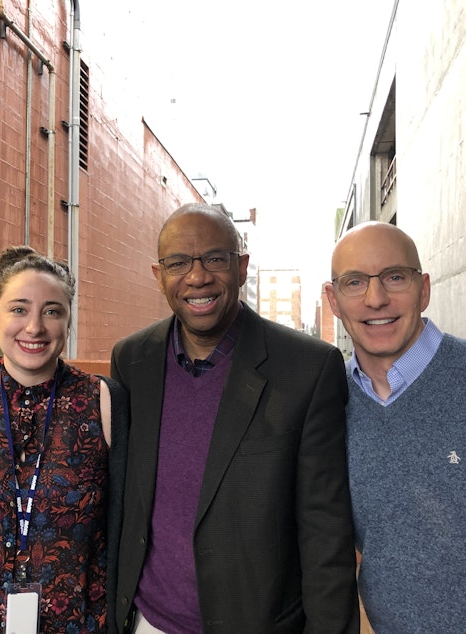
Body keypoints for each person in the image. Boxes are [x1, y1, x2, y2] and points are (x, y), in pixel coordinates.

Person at [110, 203, 359, 633]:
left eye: (214, 258)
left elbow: (325, 532)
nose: (197, 276)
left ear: (242, 267)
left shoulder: (307, 368)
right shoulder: (132, 360)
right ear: (159, 276)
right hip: (145, 622)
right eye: (178, 263)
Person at [324, 221, 466, 631]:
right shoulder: (326, 406)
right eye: (355, 282)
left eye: (395, 277)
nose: (376, 299)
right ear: (334, 300)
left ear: (424, 289)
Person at [0, 245, 128, 633]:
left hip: (80, 624)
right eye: (18, 309)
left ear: (68, 323)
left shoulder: (104, 400)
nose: (34, 327)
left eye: (52, 311)